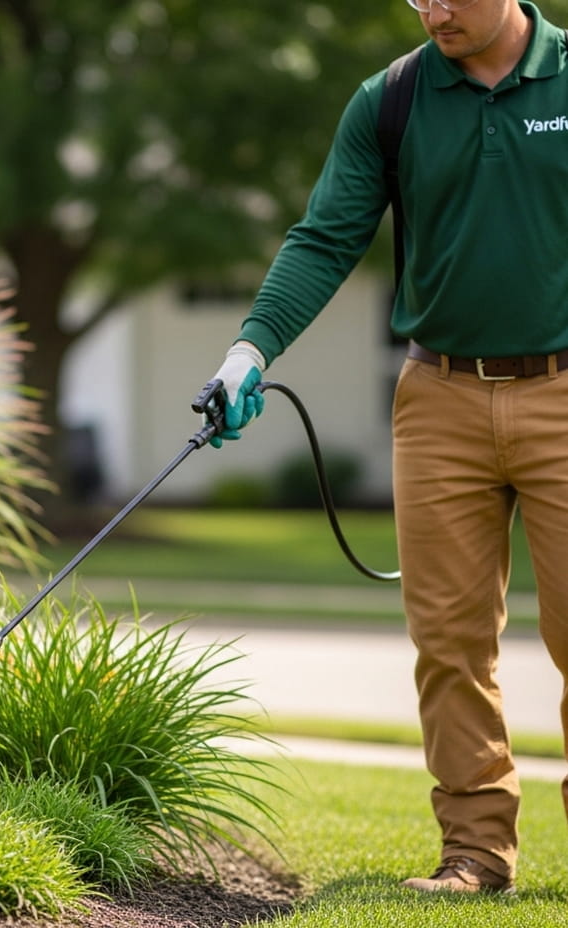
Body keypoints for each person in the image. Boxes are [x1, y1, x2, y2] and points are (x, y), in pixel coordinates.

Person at [206, 0, 568, 896]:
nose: (432, 10)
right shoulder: (393, 99)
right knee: (447, 640)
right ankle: (477, 855)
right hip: (438, 397)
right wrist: (250, 349)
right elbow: (326, 236)